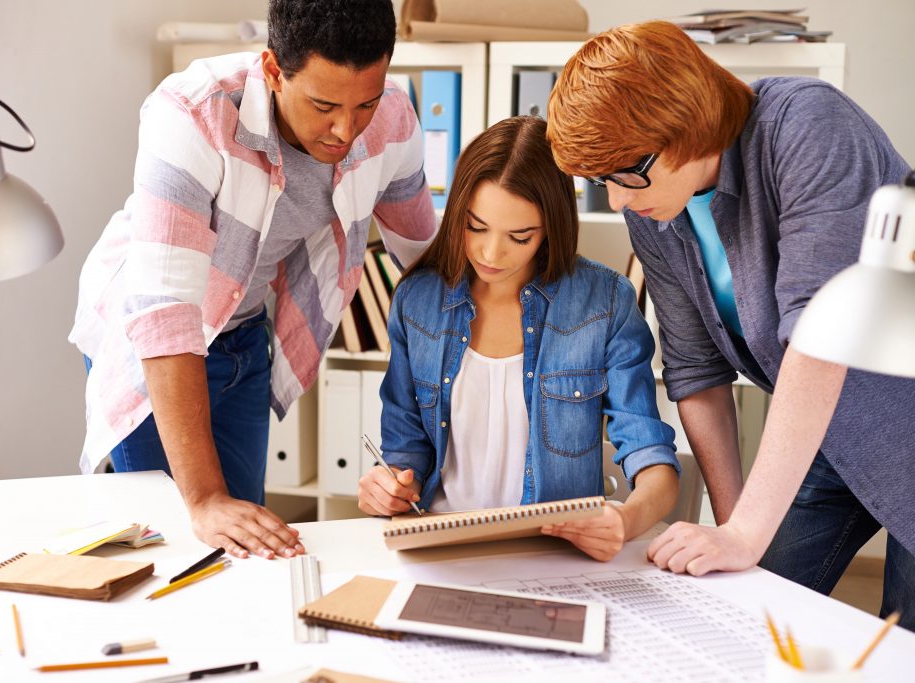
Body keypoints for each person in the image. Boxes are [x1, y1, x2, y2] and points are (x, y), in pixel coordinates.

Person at [546, 20, 915, 626]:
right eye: (600, 182)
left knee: (902, 639)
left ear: (685, 126)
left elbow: (819, 340)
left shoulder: (808, 127)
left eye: (624, 174)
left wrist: (746, 531)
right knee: (743, 606)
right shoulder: (652, 206)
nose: (615, 199)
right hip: (828, 435)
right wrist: (731, 528)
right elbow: (695, 371)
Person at [69, 0, 436, 560]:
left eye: (365, 102)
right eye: (323, 105)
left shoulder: (391, 117)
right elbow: (165, 316)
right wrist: (206, 498)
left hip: (242, 331)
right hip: (147, 338)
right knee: (170, 545)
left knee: (244, 542)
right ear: (272, 70)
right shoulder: (192, 113)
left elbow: (426, 261)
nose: (346, 130)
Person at [358, 116, 680, 561]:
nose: (491, 254)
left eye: (519, 236)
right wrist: (387, 486)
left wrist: (624, 520)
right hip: (442, 552)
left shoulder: (604, 302)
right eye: (475, 226)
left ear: (551, 228)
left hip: (554, 555)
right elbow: (405, 453)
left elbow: (653, 460)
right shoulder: (417, 301)